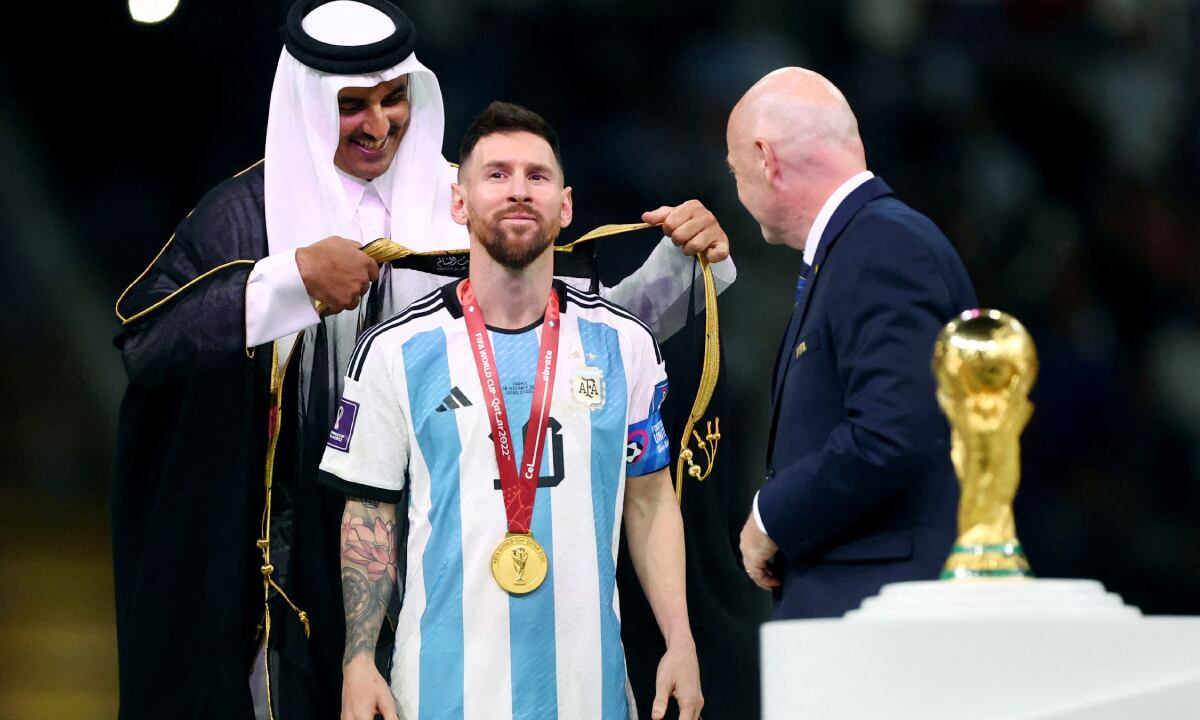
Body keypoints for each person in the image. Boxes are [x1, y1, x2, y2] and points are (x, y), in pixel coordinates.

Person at [111, 2, 732, 718]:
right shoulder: (248, 216)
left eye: (393, 98)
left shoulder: (469, 197)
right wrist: (290, 284)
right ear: (310, 104)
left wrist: (686, 269)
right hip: (293, 554)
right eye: (352, 105)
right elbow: (148, 343)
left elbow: (575, 348)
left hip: (456, 543)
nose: (378, 124)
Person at [319, 101, 704, 720]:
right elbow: (369, 511)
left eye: (538, 176)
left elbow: (650, 498)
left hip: (590, 694)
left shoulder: (625, 342)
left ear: (567, 205)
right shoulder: (394, 350)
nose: (519, 191)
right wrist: (358, 661)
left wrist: (679, 642)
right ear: (460, 202)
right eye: (496, 175)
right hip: (438, 694)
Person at [727, 67, 978, 619]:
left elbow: (893, 432)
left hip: (883, 621)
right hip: (867, 616)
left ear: (765, 158)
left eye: (735, 167)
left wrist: (773, 516)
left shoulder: (882, 246)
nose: (738, 186)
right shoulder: (861, 247)